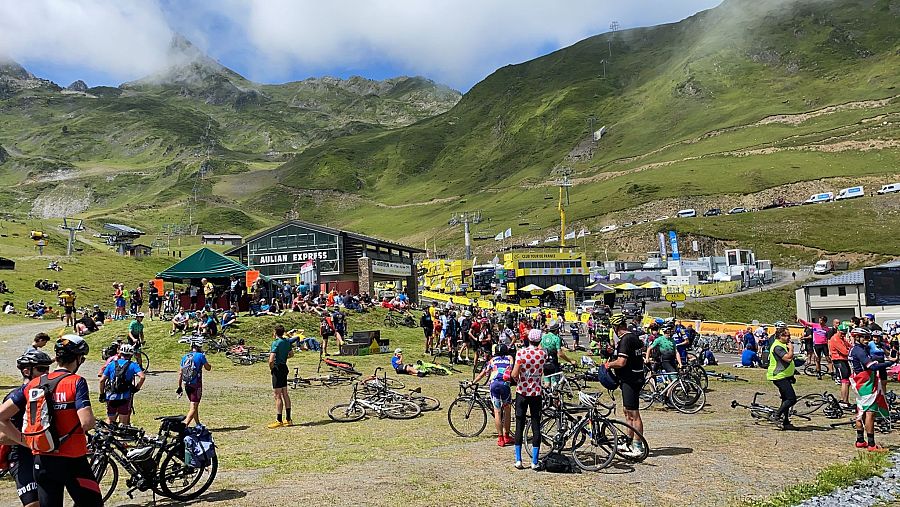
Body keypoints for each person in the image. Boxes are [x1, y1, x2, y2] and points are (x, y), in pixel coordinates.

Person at [0, 335, 101, 507]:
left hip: (43, 458)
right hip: (74, 459)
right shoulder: (76, 382)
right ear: (78, 359)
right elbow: (86, 422)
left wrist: (26, 441)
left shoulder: (33, 384)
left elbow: (2, 416)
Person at [3, 350, 54, 507]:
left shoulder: (48, 392)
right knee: (33, 503)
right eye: (41, 369)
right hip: (21, 455)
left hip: (45, 453)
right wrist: (27, 442)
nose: (46, 372)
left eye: (48, 368)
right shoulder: (15, 396)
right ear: (27, 371)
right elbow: (1, 435)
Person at [604, 313, 646, 457]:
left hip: (631, 379)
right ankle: (628, 441)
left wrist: (609, 365)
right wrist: (613, 351)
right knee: (627, 412)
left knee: (634, 414)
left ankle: (638, 446)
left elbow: (621, 362)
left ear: (616, 327)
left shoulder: (626, 340)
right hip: (633, 377)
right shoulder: (633, 337)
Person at [848, 327, 893, 451]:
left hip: (858, 383)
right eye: (865, 338)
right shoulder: (859, 351)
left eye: (869, 338)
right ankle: (872, 444)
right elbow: (871, 367)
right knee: (870, 414)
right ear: (857, 337)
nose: (868, 341)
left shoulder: (854, 349)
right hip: (866, 384)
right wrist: (890, 364)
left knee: (860, 411)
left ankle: (860, 440)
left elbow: (870, 360)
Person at [510, 329, 546, 470]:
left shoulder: (521, 353)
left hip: (522, 391)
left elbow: (514, 373)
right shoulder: (542, 354)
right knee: (536, 424)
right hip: (536, 392)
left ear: (528, 339)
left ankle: (519, 460)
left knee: (520, 424)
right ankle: (534, 461)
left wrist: (519, 379)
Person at [472, 344, 514, 447]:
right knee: (507, 410)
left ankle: (500, 439)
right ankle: (507, 436)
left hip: (494, 384)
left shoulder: (492, 360)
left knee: (497, 411)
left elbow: (483, 373)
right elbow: (512, 369)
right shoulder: (509, 358)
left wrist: (473, 382)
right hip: (505, 384)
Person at [98, 343, 145, 425]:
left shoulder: (112, 364)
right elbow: (142, 377)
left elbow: (102, 380)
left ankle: (107, 435)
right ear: (131, 355)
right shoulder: (133, 365)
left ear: (121, 353)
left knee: (110, 419)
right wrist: (136, 388)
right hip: (125, 395)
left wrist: (102, 394)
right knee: (123, 421)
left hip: (111, 395)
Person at [766, 326, 797, 430]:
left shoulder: (782, 345)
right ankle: (777, 415)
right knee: (791, 399)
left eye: (789, 335)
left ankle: (786, 421)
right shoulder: (777, 346)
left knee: (785, 399)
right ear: (780, 336)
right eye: (787, 336)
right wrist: (792, 349)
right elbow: (787, 359)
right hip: (778, 376)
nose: (789, 338)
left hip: (785, 375)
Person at [177, 338, 211, 426]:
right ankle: (184, 426)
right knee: (193, 406)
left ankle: (198, 423)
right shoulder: (200, 356)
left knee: (193, 404)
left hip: (186, 383)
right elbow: (208, 368)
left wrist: (179, 386)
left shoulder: (185, 357)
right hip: (196, 384)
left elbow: (180, 373)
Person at [268, 325, 294, 428]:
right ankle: (288, 419)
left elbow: (271, 359)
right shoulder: (287, 341)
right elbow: (291, 354)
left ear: (275, 332)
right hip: (284, 367)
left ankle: (279, 420)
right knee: (285, 393)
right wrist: (284, 357)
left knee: (277, 395)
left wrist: (272, 368)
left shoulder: (275, 343)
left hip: (277, 369)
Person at [829, 324, 852, 405]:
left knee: (847, 381)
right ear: (838, 331)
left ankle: (845, 400)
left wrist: (850, 348)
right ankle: (843, 401)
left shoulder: (842, 338)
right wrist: (849, 349)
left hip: (843, 360)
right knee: (844, 381)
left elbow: (850, 346)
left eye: (844, 334)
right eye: (842, 333)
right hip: (838, 361)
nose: (843, 335)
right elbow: (845, 351)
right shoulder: (835, 339)